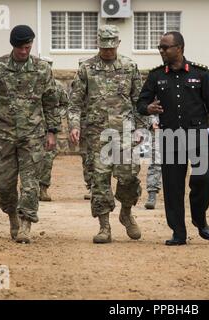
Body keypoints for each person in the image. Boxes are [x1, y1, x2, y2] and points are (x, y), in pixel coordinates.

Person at [137, 31, 209, 246]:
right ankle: (178, 232)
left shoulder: (200, 74)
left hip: (197, 137)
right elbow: (141, 103)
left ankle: (199, 217)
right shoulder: (156, 76)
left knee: (203, 180)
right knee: (173, 187)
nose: (161, 50)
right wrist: (148, 108)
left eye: (165, 47)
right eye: (160, 47)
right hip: (170, 137)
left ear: (180, 48)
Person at [0, 25, 59, 243]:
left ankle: (25, 223)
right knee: (3, 182)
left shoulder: (42, 69)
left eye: (28, 46)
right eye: (20, 47)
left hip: (33, 135)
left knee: (31, 182)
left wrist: (52, 132)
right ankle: (12, 214)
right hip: (4, 134)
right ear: (13, 46)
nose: (24, 51)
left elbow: (51, 103)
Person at [68, 25, 147, 244]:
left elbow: (139, 102)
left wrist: (141, 127)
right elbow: (74, 104)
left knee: (129, 177)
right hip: (97, 136)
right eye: (104, 48)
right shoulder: (87, 69)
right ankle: (104, 226)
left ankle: (126, 212)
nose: (108, 52)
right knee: (100, 181)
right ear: (98, 45)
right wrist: (74, 125)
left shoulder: (130, 67)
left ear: (118, 45)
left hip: (125, 134)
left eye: (112, 48)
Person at [38, 57, 70, 202]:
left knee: (47, 159)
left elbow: (65, 103)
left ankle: (43, 189)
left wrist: (58, 115)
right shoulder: (31, 83)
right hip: (31, 127)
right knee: (29, 158)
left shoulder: (57, 86)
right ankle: (28, 189)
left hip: (50, 127)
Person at [144, 115, 162, 209]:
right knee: (156, 162)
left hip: (180, 125)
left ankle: (175, 197)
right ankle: (152, 195)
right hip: (159, 126)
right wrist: (152, 121)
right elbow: (149, 104)